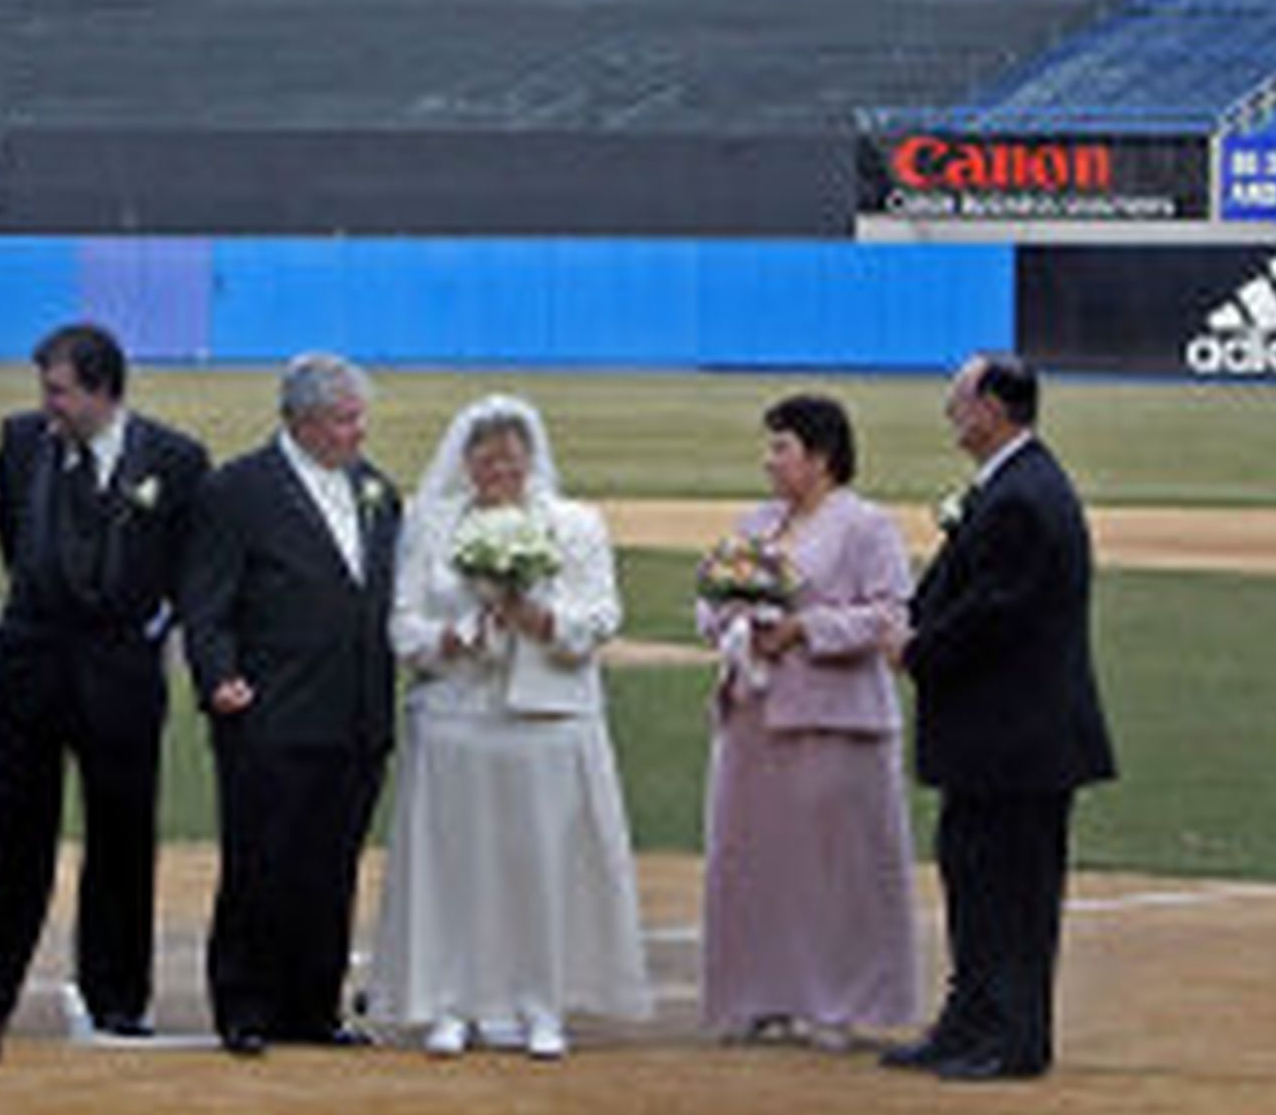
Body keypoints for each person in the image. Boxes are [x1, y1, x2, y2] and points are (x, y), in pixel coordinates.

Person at [366, 395, 649, 1061]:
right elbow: (402, 623)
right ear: (465, 460)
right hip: (457, 715)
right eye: (484, 455)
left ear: (531, 455)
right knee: (457, 865)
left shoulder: (575, 524)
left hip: (548, 716)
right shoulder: (433, 527)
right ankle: (453, 1001)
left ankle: (539, 1001)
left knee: (541, 865)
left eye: (510, 454)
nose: (498, 467)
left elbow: (603, 612)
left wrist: (543, 620)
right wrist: (456, 635)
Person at [0, 323, 209, 1041]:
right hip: (28, 672)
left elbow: (185, 570)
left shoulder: (176, 458)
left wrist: (138, 634)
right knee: (14, 832)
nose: (48, 404)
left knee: (121, 838)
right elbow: (20, 546)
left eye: (60, 390)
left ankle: (117, 995)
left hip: (121, 683)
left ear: (103, 390)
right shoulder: (21, 444)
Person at [886, 353, 1117, 1082]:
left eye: (959, 398)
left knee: (1011, 893)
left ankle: (1012, 1038)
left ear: (992, 407)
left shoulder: (1023, 494)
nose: (950, 412)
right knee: (975, 879)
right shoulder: (1013, 485)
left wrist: (918, 647)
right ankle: (970, 1020)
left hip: (1018, 740)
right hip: (999, 739)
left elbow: (997, 613)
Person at [179, 352, 398, 1056]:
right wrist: (217, 675)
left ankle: (313, 1003)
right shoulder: (239, 488)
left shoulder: (377, 491)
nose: (357, 430)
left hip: (357, 715)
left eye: (359, 415)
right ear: (301, 421)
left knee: (330, 867)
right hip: (269, 713)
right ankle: (243, 1005)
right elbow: (205, 600)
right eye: (344, 418)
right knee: (259, 865)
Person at [695, 393, 918, 1052]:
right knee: (756, 862)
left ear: (820, 456)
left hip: (834, 720)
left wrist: (803, 629)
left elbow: (888, 615)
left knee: (835, 868)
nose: (770, 462)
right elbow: (711, 600)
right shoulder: (758, 522)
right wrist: (733, 623)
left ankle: (836, 1000)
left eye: (781, 447)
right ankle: (761, 994)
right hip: (754, 717)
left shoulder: (864, 525)